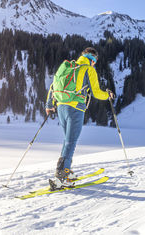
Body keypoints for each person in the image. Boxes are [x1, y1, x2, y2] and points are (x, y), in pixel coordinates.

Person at [45, 47, 115, 190]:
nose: (94, 64)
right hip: (75, 108)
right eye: (95, 61)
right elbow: (96, 92)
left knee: (67, 141)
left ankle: (66, 171)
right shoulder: (88, 69)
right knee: (71, 142)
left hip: (61, 107)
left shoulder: (68, 67)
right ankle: (62, 176)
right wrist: (107, 95)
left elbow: (52, 86)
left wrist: (49, 105)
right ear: (93, 59)